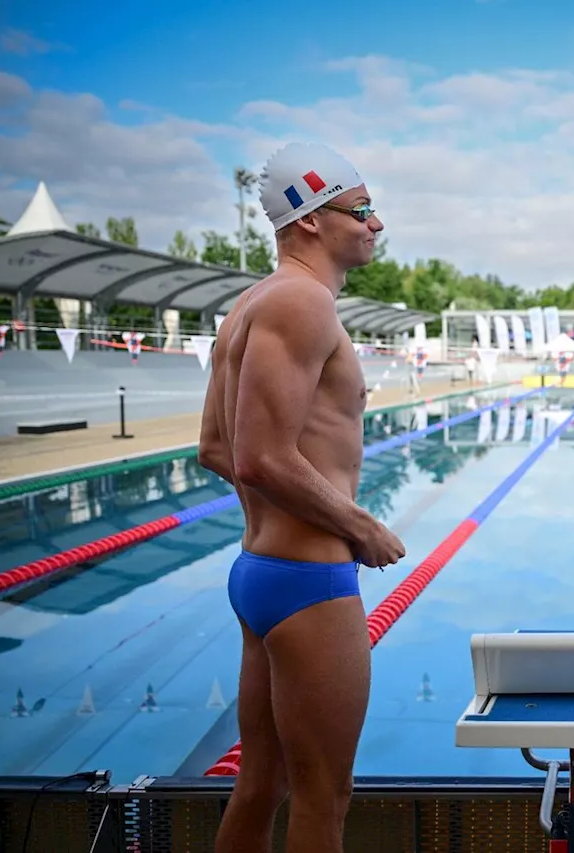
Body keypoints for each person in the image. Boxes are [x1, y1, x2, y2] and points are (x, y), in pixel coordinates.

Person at [197, 141, 406, 853]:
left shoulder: (250, 304)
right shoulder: (302, 304)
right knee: (325, 798)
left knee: (261, 784)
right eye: (363, 209)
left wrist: (283, 517)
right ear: (312, 219)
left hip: (259, 571)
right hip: (310, 584)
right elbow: (257, 455)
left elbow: (215, 448)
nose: (376, 224)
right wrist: (359, 526)